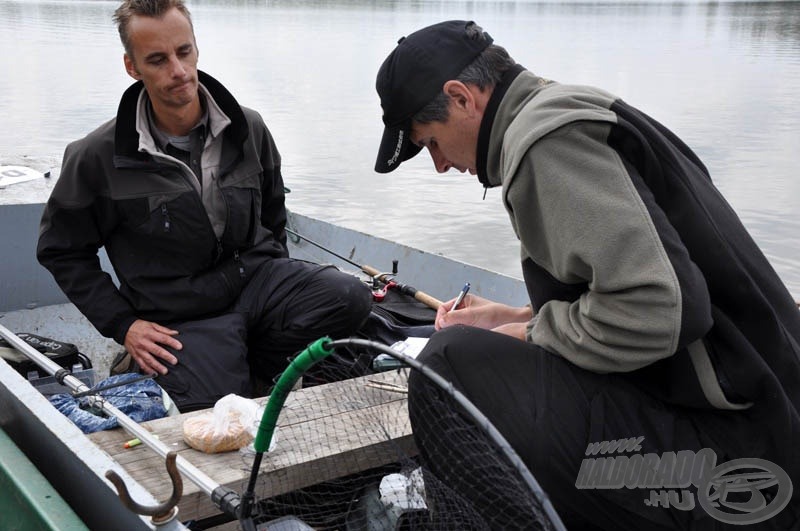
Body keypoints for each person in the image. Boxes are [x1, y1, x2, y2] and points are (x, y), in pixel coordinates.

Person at [373, 20, 800, 530]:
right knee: (474, 351)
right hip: (772, 419)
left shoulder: (545, 145)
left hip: (737, 453)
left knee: (447, 370)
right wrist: (514, 315)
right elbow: (652, 279)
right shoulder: (573, 109)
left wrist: (530, 333)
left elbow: (664, 308)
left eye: (430, 143)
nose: (440, 165)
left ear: (462, 98)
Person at [37, 0, 372, 412]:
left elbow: (274, 216)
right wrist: (124, 325)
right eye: (157, 60)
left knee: (350, 295)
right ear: (132, 66)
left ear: (196, 47)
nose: (178, 71)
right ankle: (163, 365)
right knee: (222, 407)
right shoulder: (95, 157)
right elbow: (63, 251)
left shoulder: (248, 128)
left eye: (184, 51)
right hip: (179, 316)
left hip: (256, 283)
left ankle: (256, 361)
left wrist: (276, 297)